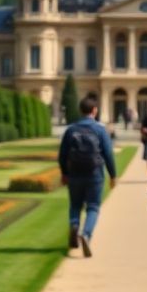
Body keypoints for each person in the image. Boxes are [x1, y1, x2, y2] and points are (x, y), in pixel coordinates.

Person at [58, 94, 116, 257]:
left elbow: (62, 155)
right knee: (93, 207)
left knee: (75, 205)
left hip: (75, 174)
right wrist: (113, 175)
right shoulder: (99, 129)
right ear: (94, 111)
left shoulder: (71, 130)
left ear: (80, 110)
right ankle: (86, 234)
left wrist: (64, 173)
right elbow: (108, 154)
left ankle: (75, 225)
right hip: (94, 174)